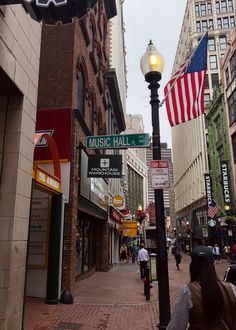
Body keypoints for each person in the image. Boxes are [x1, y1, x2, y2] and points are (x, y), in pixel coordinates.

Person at [167, 245, 236, 330]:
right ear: (212, 265)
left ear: (192, 266)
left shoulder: (188, 291)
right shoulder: (231, 288)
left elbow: (176, 326)